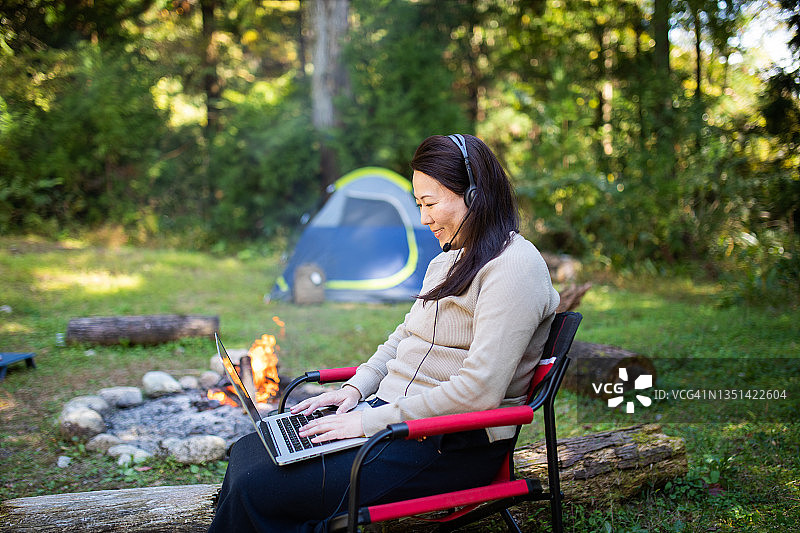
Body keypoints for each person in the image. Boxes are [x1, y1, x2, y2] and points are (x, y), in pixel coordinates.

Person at [208, 134, 560, 533]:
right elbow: (403, 336)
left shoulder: (514, 267)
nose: (424, 219)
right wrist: (356, 390)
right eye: (418, 205)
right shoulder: (451, 260)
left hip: (447, 445)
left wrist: (366, 424)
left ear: (476, 197)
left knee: (261, 488)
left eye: (429, 204)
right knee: (249, 454)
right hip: (394, 422)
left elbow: (479, 391)